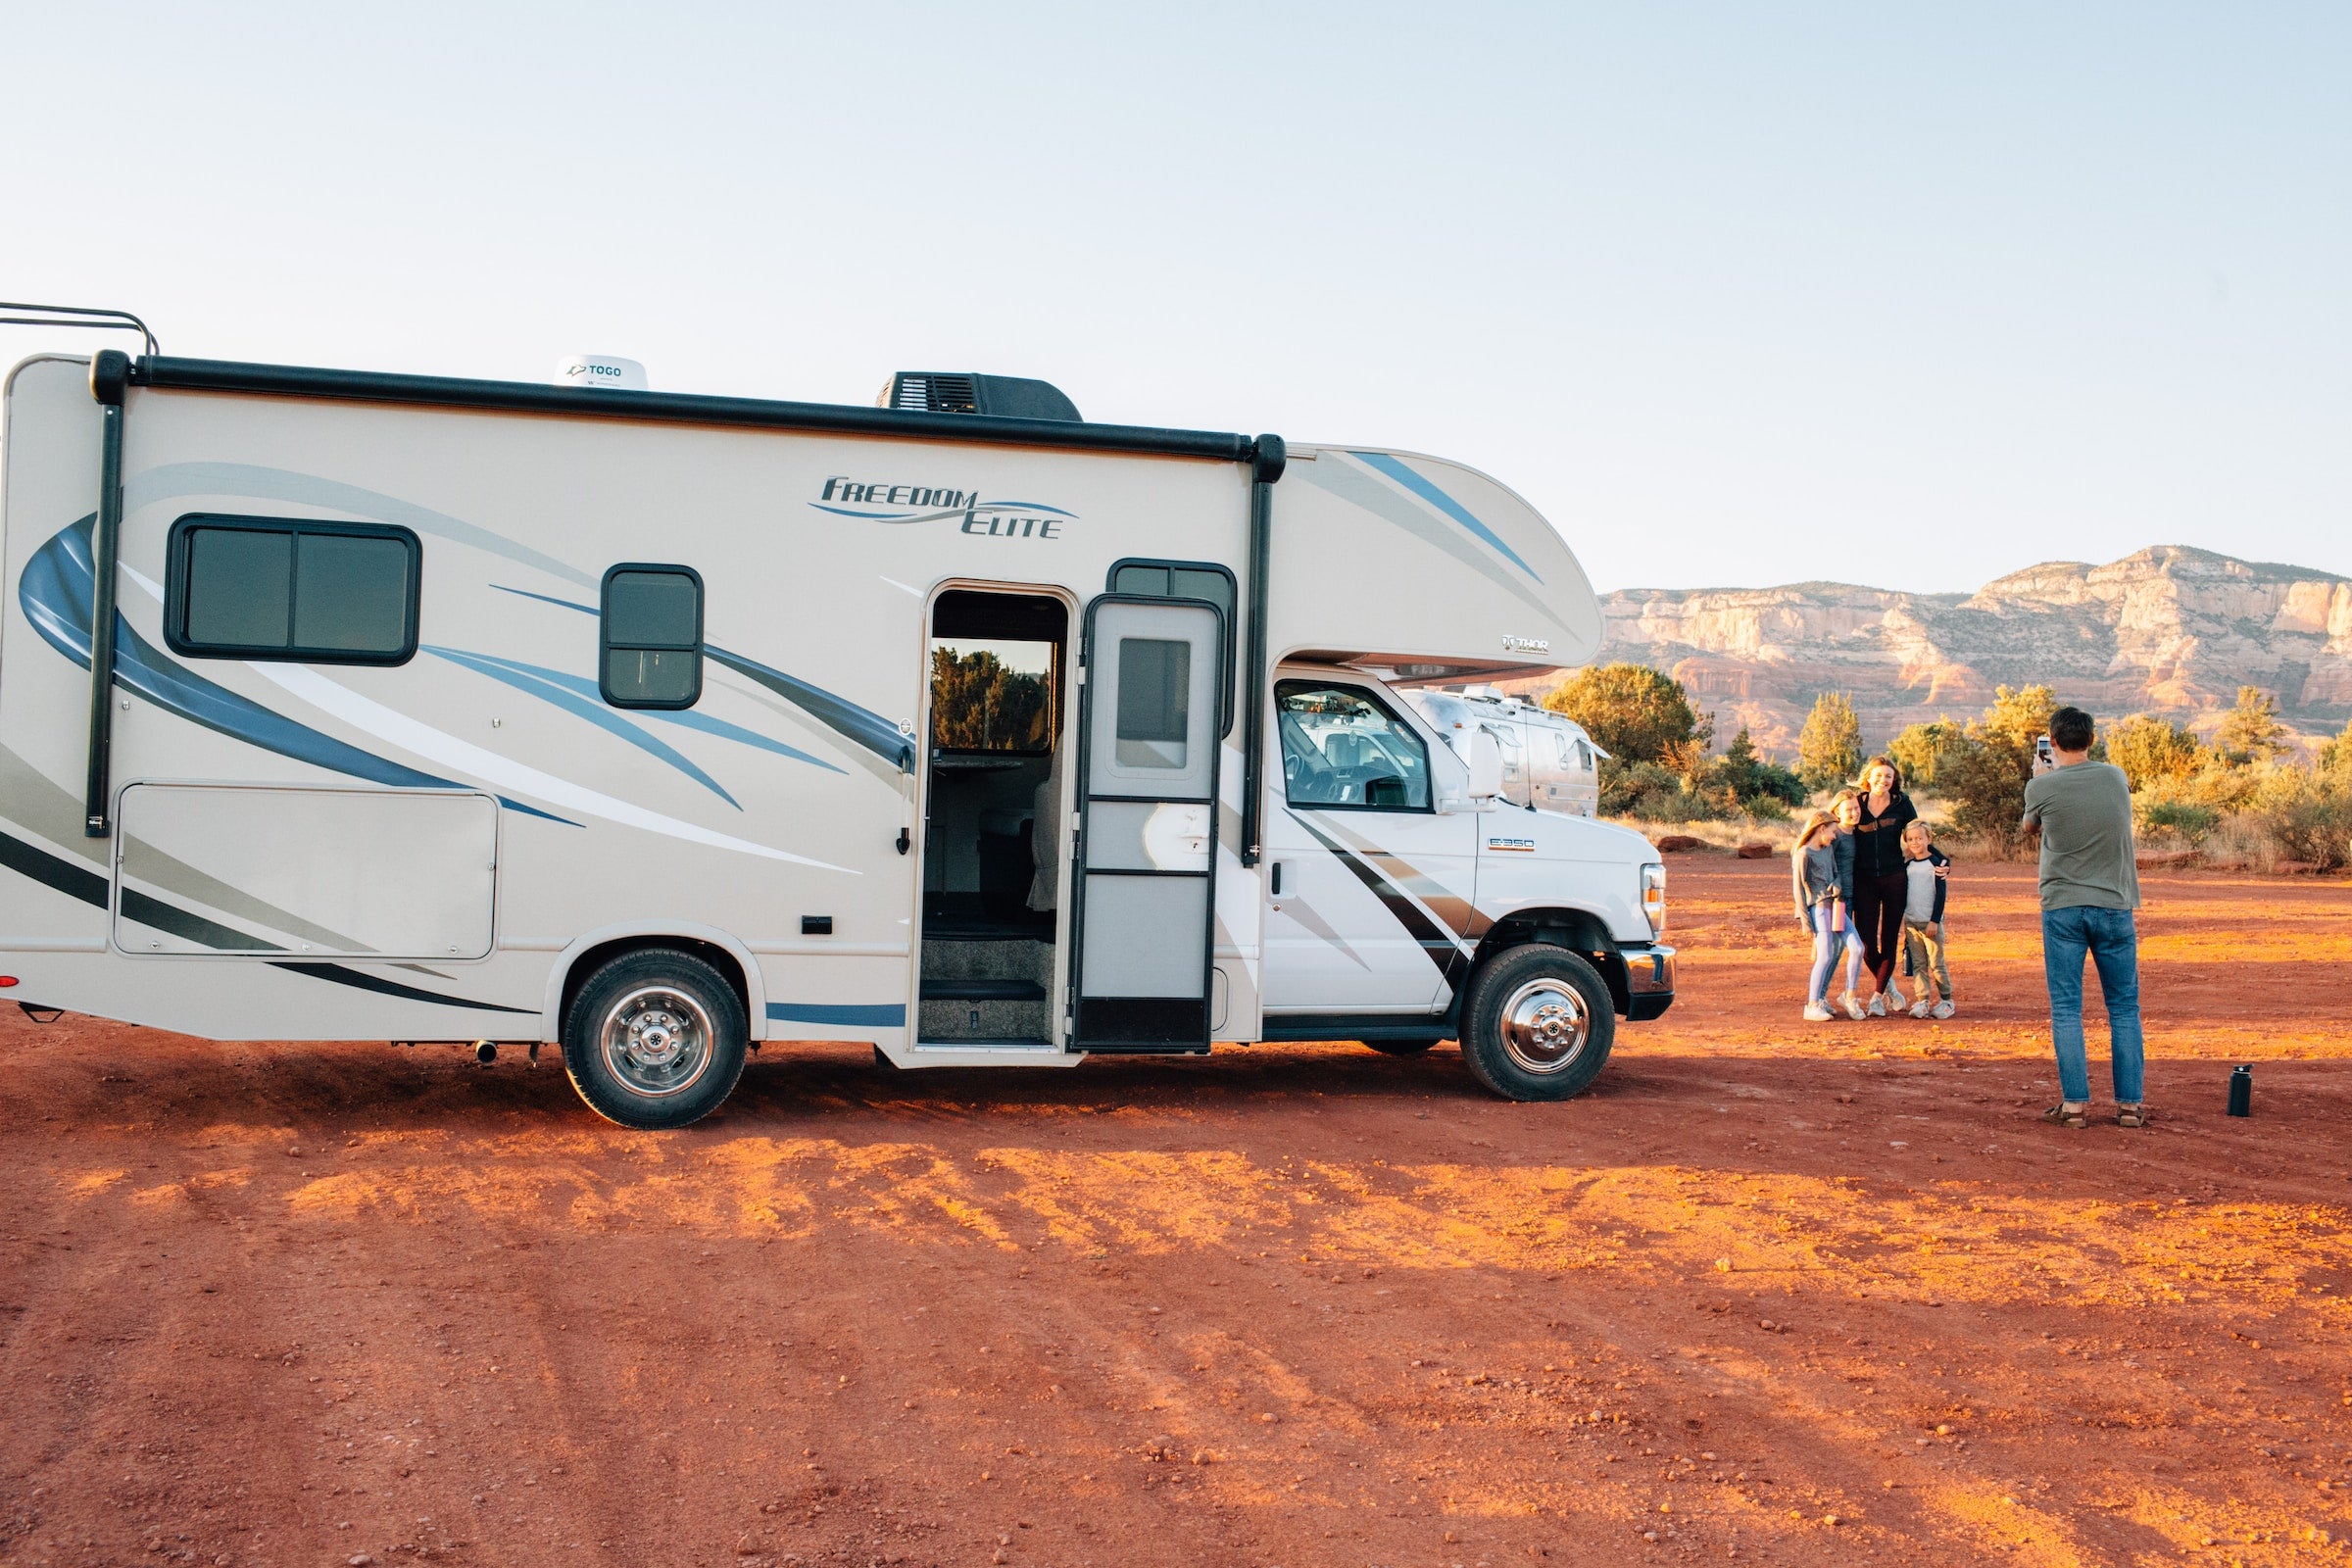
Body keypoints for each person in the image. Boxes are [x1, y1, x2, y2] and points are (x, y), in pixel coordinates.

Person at [2022, 706, 2145, 1129]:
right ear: (2091, 739)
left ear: (2052, 743)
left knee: (2067, 1008)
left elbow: (2030, 829)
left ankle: (2074, 1106)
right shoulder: (2115, 777)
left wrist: (2040, 779)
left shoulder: (2041, 786)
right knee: (2124, 1008)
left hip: (2063, 906)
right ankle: (2129, 1106)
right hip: (2114, 903)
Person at [1848, 757, 1920, 1015]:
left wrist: (1934, 860)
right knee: (1866, 944)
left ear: (1894, 780)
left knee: (1889, 939)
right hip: (1863, 880)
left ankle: (1877, 997)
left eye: (1888, 777)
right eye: (1878, 776)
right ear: (1868, 777)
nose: (1883, 781)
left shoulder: (1902, 804)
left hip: (1895, 879)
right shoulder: (1856, 803)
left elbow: (1917, 834)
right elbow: (1842, 832)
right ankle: (1889, 985)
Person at [1789, 809, 1849, 1022]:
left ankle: (1822, 1001)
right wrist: (1805, 922)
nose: (1834, 836)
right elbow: (1798, 890)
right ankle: (1812, 1004)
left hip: (1834, 906)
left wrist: (1836, 885)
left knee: (1836, 951)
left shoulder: (1828, 849)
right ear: (1821, 829)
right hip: (1818, 908)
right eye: (1833, 832)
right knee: (1825, 955)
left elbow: (1836, 874)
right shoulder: (1803, 854)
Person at [1897, 819, 1955, 1019]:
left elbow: (1941, 894)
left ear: (1928, 839)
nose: (1915, 842)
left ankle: (1947, 1000)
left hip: (1931, 923)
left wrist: (1934, 920)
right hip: (1912, 923)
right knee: (1919, 964)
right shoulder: (1908, 865)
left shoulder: (1937, 864)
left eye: (1919, 838)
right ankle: (1922, 1000)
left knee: (1936, 963)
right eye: (1910, 839)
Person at [1828, 790, 1873, 1019]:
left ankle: (1823, 998)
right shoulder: (1834, 835)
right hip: (1838, 902)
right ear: (1836, 812)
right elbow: (1825, 865)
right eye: (1848, 810)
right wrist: (1835, 886)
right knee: (1846, 949)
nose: (1854, 813)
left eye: (1857, 808)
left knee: (1839, 950)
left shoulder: (1858, 833)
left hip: (1855, 898)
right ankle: (1846, 996)